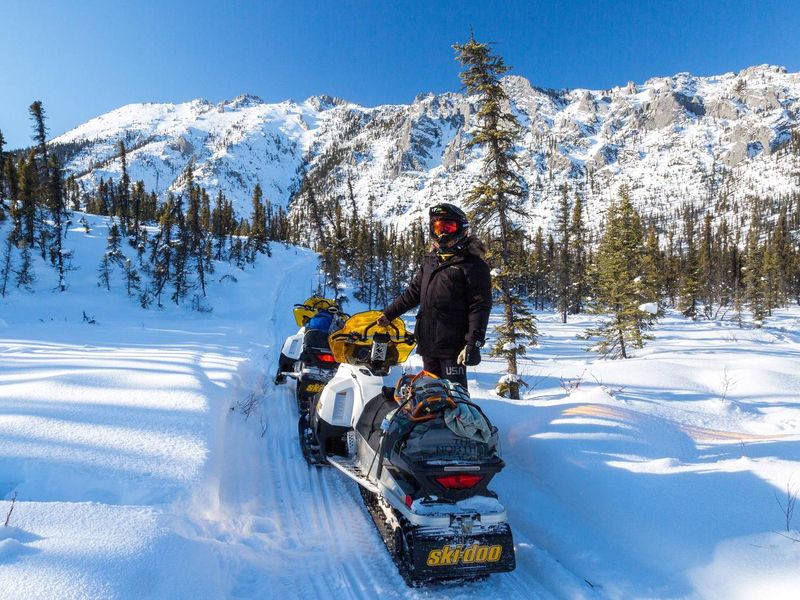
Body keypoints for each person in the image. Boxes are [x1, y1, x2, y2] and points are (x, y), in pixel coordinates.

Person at [377, 203, 492, 389]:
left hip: (453, 348)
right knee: (430, 394)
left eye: (448, 227)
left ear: (460, 229)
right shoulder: (431, 260)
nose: (443, 233)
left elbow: (480, 306)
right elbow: (414, 292)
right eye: (438, 227)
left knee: (454, 396)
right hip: (428, 343)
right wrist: (388, 314)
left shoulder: (473, 265)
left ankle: (462, 419)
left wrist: (473, 343)